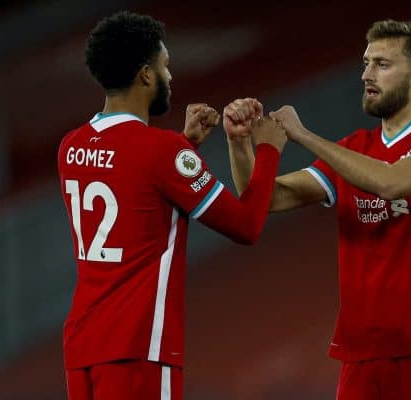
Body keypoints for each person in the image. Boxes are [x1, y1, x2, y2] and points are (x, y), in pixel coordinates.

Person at [224, 20, 411, 399]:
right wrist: (239, 143)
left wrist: (304, 135)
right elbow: (266, 197)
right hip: (360, 351)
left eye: (382, 64)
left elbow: (391, 182)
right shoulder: (355, 148)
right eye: (365, 63)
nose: (366, 74)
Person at [57, 11, 286, 400]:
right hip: (138, 348)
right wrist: (267, 148)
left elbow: (135, 189)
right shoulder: (161, 151)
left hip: (83, 347)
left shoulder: (71, 146)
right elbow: (246, 226)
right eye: (165, 65)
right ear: (146, 75)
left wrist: (186, 144)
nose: (170, 76)